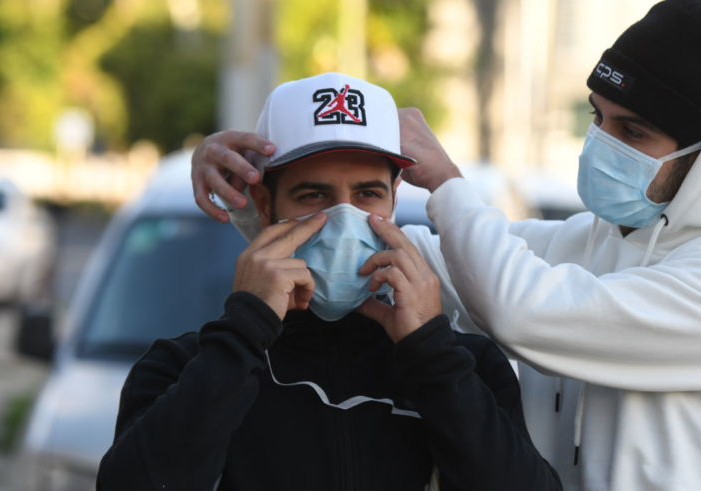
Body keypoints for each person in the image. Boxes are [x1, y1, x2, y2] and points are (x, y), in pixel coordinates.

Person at [190, 2, 701, 490]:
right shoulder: (588, 244)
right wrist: (250, 193)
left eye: (633, 131)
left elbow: (526, 310)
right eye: (597, 117)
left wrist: (446, 182)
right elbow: (379, 258)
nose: (602, 143)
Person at [98, 73, 561, 491]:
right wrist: (244, 331)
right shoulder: (183, 366)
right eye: (313, 195)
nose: (344, 220)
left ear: (393, 199)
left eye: (367, 194)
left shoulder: (467, 366)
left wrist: (431, 353)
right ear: (266, 206)